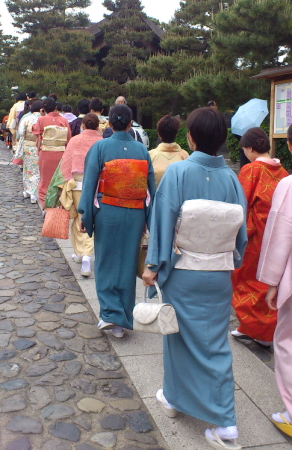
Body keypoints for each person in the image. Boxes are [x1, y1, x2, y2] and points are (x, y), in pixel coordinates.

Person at [142, 107, 247, 450]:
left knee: (177, 337)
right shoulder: (231, 178)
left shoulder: (177, 173)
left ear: (190, 137)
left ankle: (176, 399)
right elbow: (240, 237)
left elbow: (162, 221)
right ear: (221, 140)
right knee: (215, 344)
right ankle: (221, 421)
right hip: (217, 273)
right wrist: (227, 260)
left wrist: (154, 266)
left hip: (182, 271)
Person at [78, 105, 155, 338]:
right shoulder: (142, 151)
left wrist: (86, 215)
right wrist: (149, 221)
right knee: (127, 263)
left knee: (106, 262)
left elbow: (90, 184)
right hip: (134, 214)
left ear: (109, 124)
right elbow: (151, 193)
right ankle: (122, 317)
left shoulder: (100, 147)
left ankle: (111, 315)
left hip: (108, 211)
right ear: (131, 124)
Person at [231, 128, 288, 346]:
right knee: (269, 282)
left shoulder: (250, 170)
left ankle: (253, 328)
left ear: (251, 148)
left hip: (254, 237)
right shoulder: (282, 171)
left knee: (246, 280)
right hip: (276, 237)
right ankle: (261, 328)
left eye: (245, 149)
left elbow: (240, 204)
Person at [257, 124, 292, 437]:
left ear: (290, 146)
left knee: (287, 341)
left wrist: (271, 280)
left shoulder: (289, 186)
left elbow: (281, 235)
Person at [47, 114, 103, 277]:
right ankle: (86, 254)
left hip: (76, 185)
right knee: (92, 220)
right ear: (98, 127)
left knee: (79, 218)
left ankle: (81, 254)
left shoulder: (75, 140)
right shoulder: (102, 142)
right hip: (97, 186)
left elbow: (65, 164)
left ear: (83, 126)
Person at [32, 97, 71, 209]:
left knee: (45, 180)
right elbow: (68, 138)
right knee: (59, 180)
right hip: (60, 153)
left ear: (44, 108)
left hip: (46, 153)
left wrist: (42, 115)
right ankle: (57, 206)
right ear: (55, 107)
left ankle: (45, 206)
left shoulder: (41, 120)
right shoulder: (64, 120)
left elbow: (35, 131)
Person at [149, 115, 189, 188]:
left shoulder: (150, 155)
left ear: (159, 134)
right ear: (176, 134)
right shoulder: (185, 155)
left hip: (156, 198)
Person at [18, 100, 43, 204]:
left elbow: (21, 132)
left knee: (27, 168)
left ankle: (26, 190)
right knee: (37, 170)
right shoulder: (42, 119)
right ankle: (34, 192)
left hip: (28, 146)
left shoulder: (27, 119)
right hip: (39, 146)